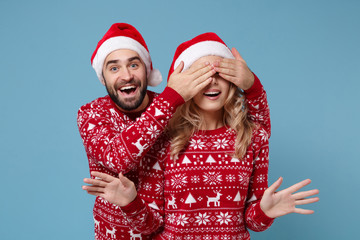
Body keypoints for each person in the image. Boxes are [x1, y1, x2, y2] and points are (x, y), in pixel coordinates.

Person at [83, 32, 319, 239]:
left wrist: (265, 212)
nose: (211, 81)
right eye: (201, 74)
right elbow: (151, 225)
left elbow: (253, 223)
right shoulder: (164, 138)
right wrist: (130, 202)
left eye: (219, 72)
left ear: (232, 80)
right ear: (186, 86)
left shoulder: (252, 137)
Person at [77, 23, 218, 239]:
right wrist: (170, 99)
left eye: (134, 65)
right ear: (103, 78)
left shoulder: (174, 108)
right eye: (114, 68)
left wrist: (252, 86)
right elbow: (118, 159)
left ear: (147, 69)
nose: (126, 76)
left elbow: (241, 131)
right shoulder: (91, 114)